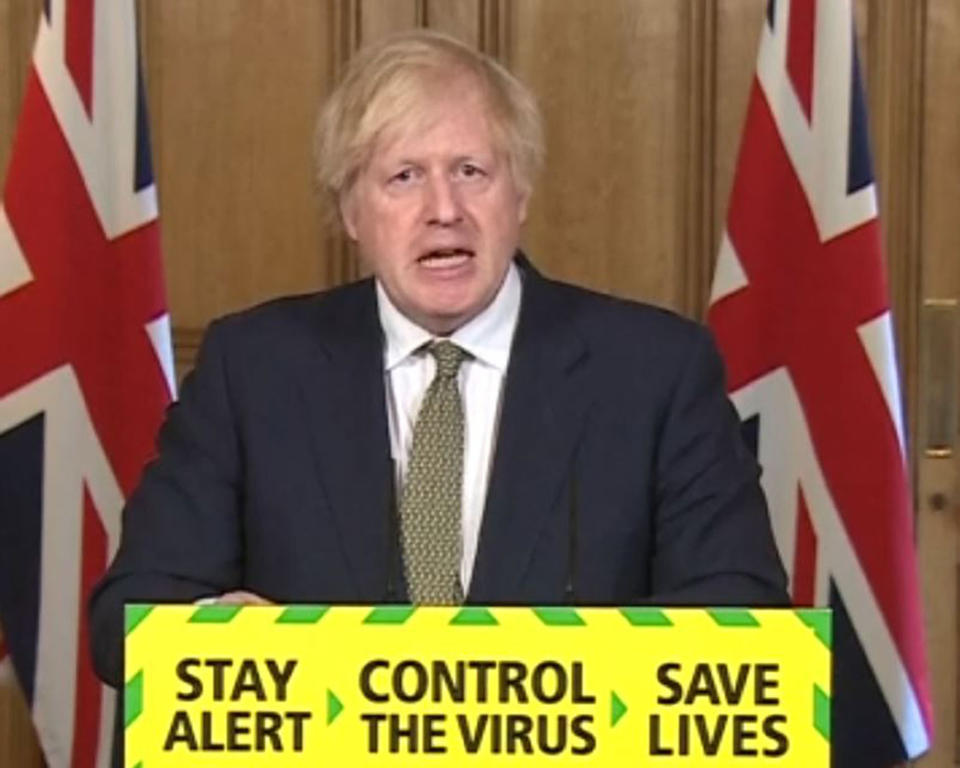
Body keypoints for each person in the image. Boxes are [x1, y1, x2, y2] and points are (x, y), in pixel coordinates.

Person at [89, 29, 788, 688]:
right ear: (352, 212)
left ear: (521, 194)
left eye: (471, 171)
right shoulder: (254, 372)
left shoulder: (654, 373)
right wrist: (222, 639)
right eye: (403, 178)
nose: (443, 209)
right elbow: (125, 625)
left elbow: (746, 624)